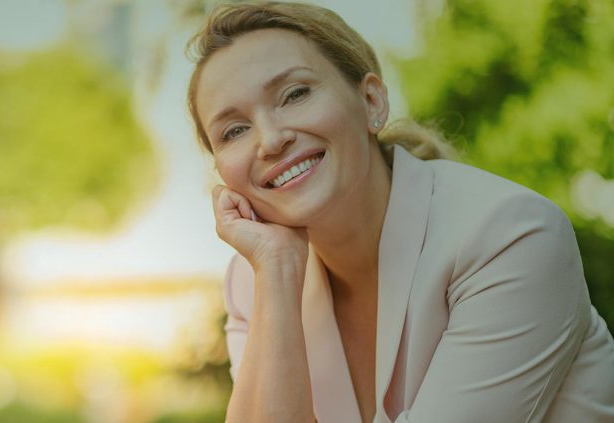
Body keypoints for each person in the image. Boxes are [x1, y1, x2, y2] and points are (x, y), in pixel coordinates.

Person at [187, 2, 614, 422]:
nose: (270, 140)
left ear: (371, 101)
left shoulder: (509, 237)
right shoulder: (254, 284)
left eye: (294, 94)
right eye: (234, 130)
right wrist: (279, 271)